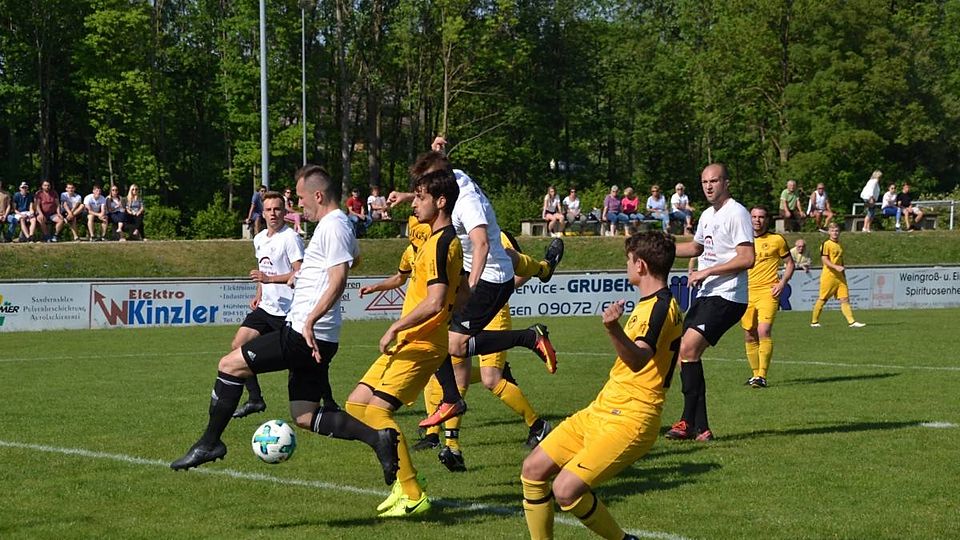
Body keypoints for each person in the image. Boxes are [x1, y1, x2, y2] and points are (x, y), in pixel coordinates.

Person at [170, 165, 400, 489]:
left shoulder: (333, 226)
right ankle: (378, 438)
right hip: (321, 336)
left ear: (318, 195)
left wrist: (311, 318)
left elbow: (339, 279)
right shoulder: (339, 225)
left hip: (305, 333)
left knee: (229, 365)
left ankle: (209, 443)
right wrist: (306, 276)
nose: (298, 206)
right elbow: (352, 260)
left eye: (302, 198)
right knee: (305, 415)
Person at [387, 139, 562, 428]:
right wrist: (412, 190)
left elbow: (481, 244)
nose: (420, 194)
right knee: (434, 330)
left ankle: (527, 339)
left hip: (490, 279)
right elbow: (441, 166)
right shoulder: (452, 178)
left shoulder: (466, 203)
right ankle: (452, 399)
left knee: (452, 344)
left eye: (422, 190)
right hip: (476, 270)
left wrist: (470, 286)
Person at [520, 231, 682, 540]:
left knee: (565, 489)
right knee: (533, 469)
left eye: (628, 260)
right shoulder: (651, 304)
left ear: (641, 266)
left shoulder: (661, 307)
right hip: (603, 408)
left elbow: (638, 360)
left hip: (632, 418)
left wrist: (612, 328)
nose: (627, 265)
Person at [344, 169, 463, 517]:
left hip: (422, 344)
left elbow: (436, 301)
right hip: (411, 339)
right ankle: (403, 479)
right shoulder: (434, 240)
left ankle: (412, 493)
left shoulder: (441, 243)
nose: (415, 204)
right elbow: (462, 289)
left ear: (441, 202)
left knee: (378, 411)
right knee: (356, 405)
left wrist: (396, 326)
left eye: (421, 197)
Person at [664, 163, 754, 442]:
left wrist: (707, 272)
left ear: (726, 183)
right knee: (683, 355)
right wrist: (659, 248)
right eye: (704, 182)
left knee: (688, 348)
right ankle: (701, 428)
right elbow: (696, 247)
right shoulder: (706, 215)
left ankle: (686, 421)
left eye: (714, 181)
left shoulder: (737, 213)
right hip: (708, 294)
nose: (709, 186)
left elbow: (747, 258)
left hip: (728, 295)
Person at [230, 191, 305, 419]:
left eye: (277, 209)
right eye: (269, 209)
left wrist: (269, 280)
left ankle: (327, 402)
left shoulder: (290, 238)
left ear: (284, 212)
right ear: (263, 213)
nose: (273, 213)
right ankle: (255, 399)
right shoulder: (260, 238)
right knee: (238, 345)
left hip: (289, 311)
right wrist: (259, 293)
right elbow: (264, 270)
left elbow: (300, 273)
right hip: (266, 308)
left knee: (301, 362)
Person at [741, 206, 795, 388]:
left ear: (767, 220)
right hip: (746, 293)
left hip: (768, 292)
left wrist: (782, 283)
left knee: (763, 331)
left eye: (761, 217)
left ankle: (762, 375)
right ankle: (755, 375)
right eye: (754, 217)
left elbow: (790, 263)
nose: (757, 220)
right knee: (749, 334)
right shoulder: (743, 240)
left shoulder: (776, 240)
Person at [810, 223, 865, 328]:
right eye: (832, 231)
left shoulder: (839, 245)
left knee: (845, 299)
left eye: (836, 231)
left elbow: (840, 260)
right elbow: (824, 259)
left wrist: (843, 273)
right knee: (823, 299)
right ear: (829, 232)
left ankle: (852, 322)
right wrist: (836, 267)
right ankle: (814, 322)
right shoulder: (826, 244)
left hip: (840, 277)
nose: (835, 233)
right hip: (829, 276)